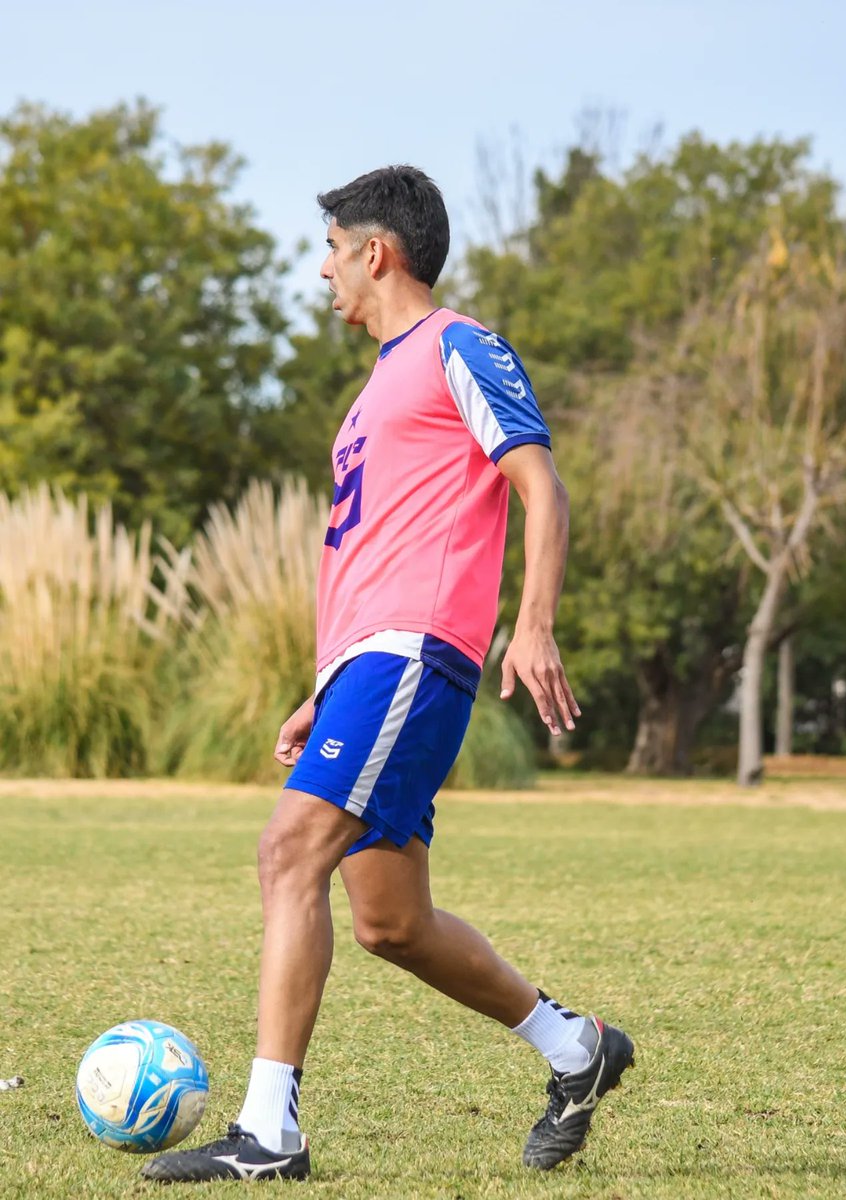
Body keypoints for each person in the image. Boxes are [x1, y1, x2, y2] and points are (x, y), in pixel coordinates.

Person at [142, 166, 633, 1184]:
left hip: (419, 654)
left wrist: (532, 624)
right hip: (369, 665)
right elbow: (375, 550)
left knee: (287, 856)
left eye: (330, 247)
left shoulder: (461, 344)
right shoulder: (374, 387)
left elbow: (540, 485)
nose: (321, 270)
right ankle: (576, 1049)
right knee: (390, 921)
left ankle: (270, 1134)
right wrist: (324, 684)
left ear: (378, 251)